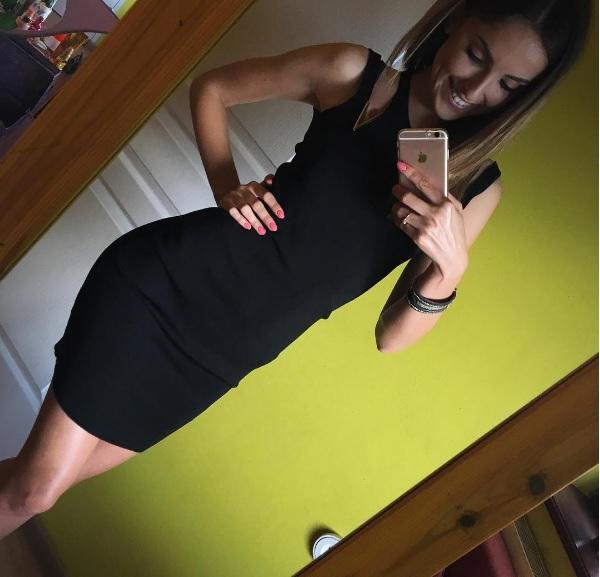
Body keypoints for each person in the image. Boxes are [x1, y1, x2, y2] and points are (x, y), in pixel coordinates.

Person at [0, 0, 591, 540]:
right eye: (477, 54)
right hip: (163, 288)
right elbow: (213, 88)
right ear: (455, 21)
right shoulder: (354, 74)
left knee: (34, 481)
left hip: (221, 360)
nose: (476, 88)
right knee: (36, 490)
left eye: (507, 85)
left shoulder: (476, 188)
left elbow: (390, 339)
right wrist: (228, 189)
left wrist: (449, 267)